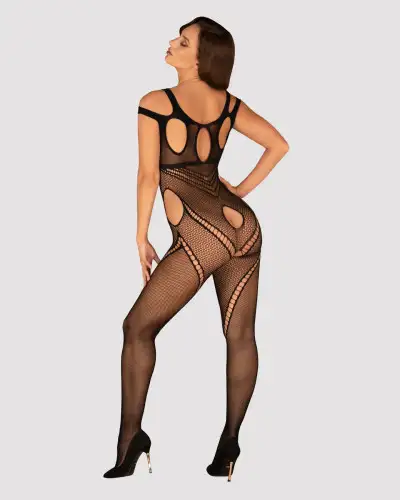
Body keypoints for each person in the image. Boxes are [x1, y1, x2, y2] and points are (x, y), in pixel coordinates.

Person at [103, 16, 289, 481]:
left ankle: (130, 441)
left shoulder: (155, 103)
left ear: (202, 58)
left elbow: (148, 176)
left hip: (201, 235)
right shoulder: (229, 104)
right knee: (240, 336)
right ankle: (230, 444)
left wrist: (141, 236)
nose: (172, 42)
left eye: (183, 41)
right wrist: (239, 192)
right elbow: (278, 145)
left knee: (137, 329)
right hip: (245, 229)